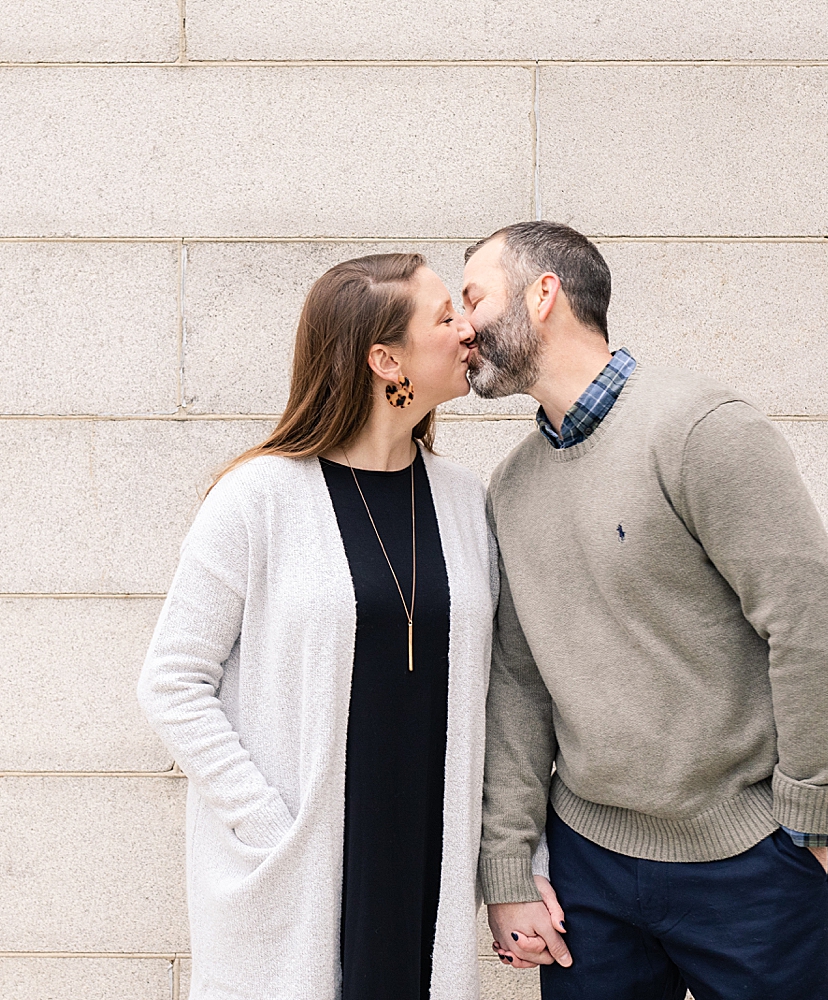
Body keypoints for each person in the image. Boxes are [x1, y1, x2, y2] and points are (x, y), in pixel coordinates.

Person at [138, 253, 556, 1000]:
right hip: (308, 863)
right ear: (384, 358)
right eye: (444, 315)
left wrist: (517, 864)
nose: (470, 329)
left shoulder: (465, 502)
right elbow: (172, 682)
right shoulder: (257, 498)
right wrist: (272, 827)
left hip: (424, 853)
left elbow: (503, 696)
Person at [464, 221, 828, 999]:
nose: (461, 327)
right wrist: (508, 868)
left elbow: (812, 625)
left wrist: (805, 824)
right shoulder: (510, 488)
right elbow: (516, 686)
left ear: (543, 295)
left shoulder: (701, 430)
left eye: (474, 296)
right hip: (588, 870)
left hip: (746, 865)